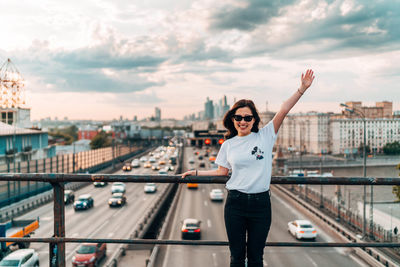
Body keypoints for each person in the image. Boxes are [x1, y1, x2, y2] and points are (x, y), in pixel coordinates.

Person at [181, 69, 315, 267]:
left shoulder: (266, 136)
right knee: (236, 256)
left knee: (255, 257)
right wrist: (196, 173)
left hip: (261, 205)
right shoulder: (228, 145)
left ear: (254, 120)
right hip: (235, 203)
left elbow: (284, 110)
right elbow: (222, 172)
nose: (243, 121)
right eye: (239, 117)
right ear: (233, 119)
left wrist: (301, 89)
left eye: (247, 118)